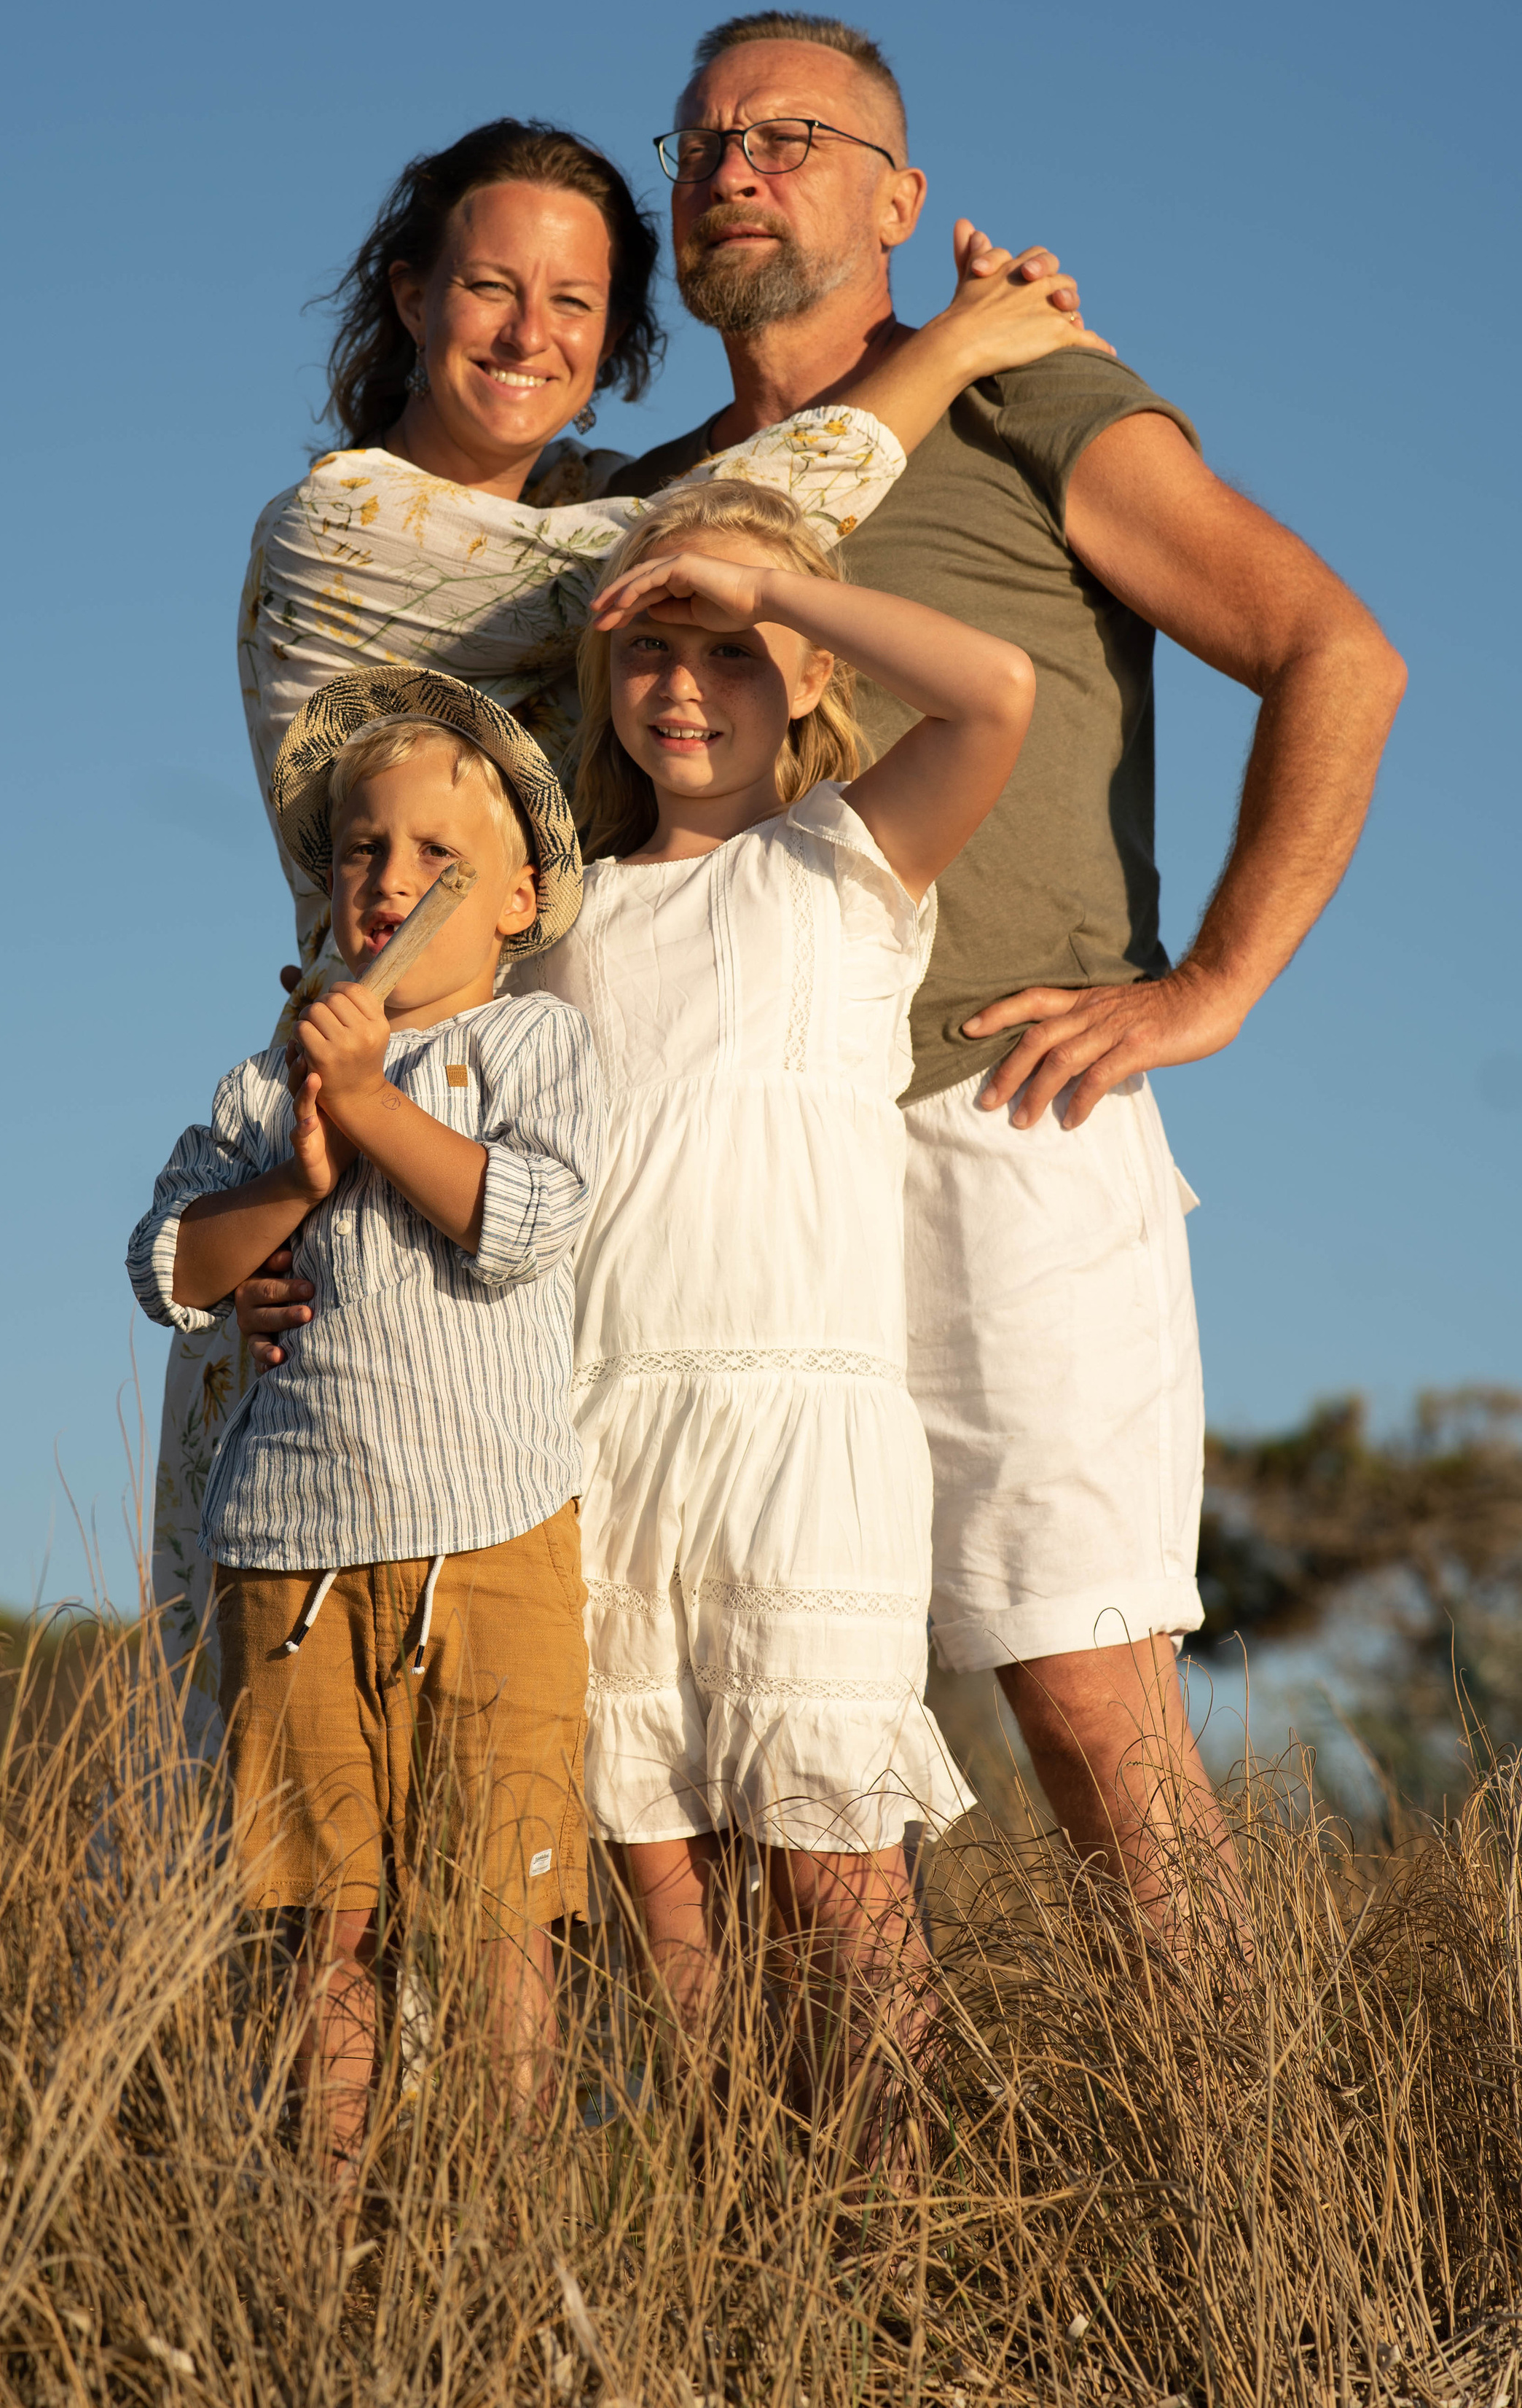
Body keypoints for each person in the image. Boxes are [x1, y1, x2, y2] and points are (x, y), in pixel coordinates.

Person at [592, 9, 1408, 1937]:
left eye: (792, 134)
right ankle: (830, 2229)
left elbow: (1336, 653)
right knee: (766, 1744)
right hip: (735, 1168)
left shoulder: (1018, 393)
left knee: (1083, 1694)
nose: (735, 166)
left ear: (901, 196)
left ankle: (1246, 2217)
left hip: (1000, 1101)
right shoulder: (654, 501)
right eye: (702, 139)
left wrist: (1209, 984)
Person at [154, 114, 1078, 1746]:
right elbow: (667, 544)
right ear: (406, 294)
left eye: (575, 306)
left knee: (543, 1782)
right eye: (490, 288)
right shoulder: (338, 528)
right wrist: (953, 346)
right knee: (306, 1823)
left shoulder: (612, 493)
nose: (529, 334)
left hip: (522, 1192)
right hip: (342, 1180)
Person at [515, 465, 1040, 2078]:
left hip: (798, 1430)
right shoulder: (560, 917)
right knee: (655, 1875)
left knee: (833, 1873)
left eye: (727, 649)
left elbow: (991, 693)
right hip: (598, 1428)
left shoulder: (844, 862)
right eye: (654, 648)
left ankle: (887, 2268)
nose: (685, 685)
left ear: (806, 669)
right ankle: (735, 2252)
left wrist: (766, 587)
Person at [126, 675, 604, 2176]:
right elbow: (167, 1270)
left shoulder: (534, 1052)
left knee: (492, 1928)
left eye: (435, 859)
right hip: (289, 1557)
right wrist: (302, 1162)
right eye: (356, 848)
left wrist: (373, 1103)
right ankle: (322, 2244)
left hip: (492, 1538)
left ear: (518, 898)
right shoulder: (256, 1090)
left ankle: (497, 2247)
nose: (387, 879)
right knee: (318, 1927)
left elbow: (522, 1221)